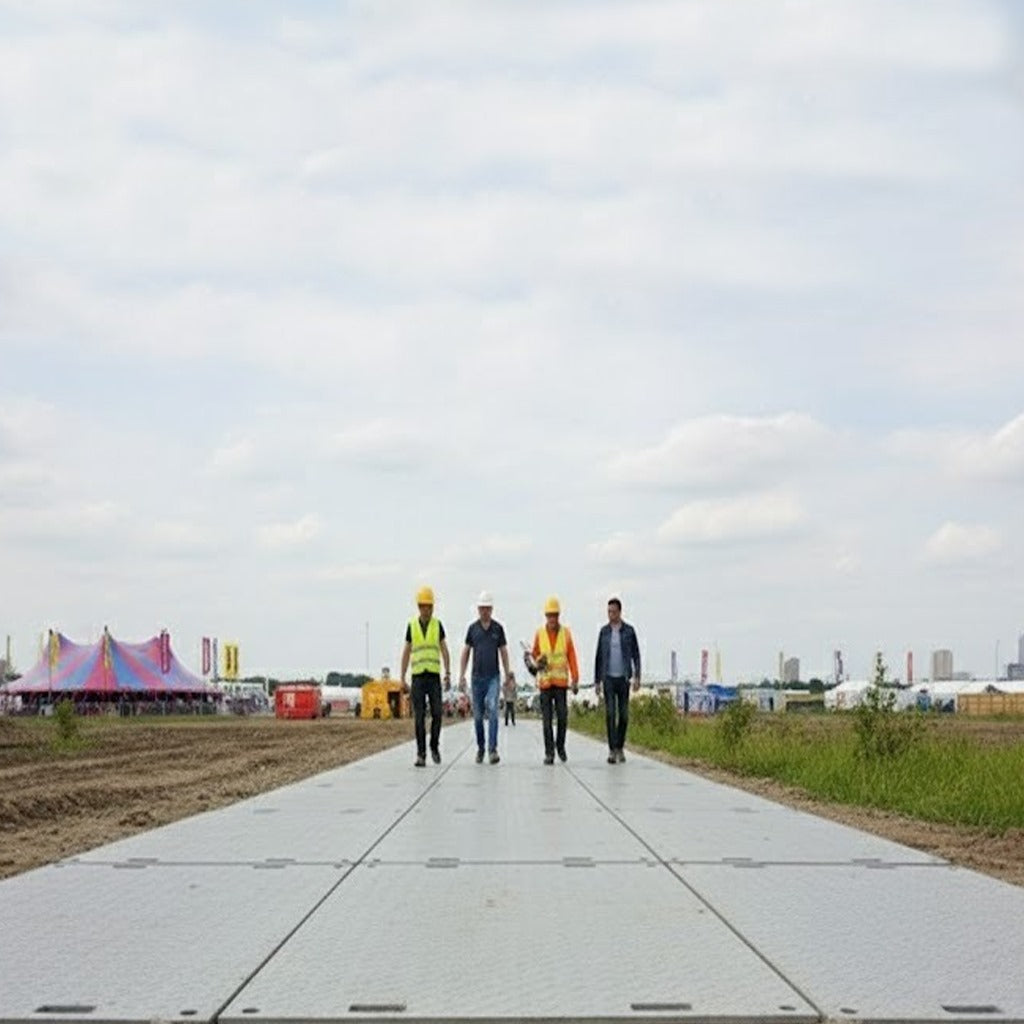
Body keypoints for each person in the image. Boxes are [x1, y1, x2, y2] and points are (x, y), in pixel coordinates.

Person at [400, 586, 451, 767]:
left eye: (429, 606)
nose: (426, 610)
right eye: (423, 606)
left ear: (433, 607)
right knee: (419, 717)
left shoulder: (438, 625)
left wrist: (447, 673)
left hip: (434, 677)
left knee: (437, 713)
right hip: (418, 678)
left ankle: (434, 746)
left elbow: (444, 650)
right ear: (418, 607)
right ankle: (421, 754)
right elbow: (406, 651)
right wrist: (402, 676)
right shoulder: (411, 626)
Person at [459, 591, 513, 765]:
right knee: (478, 716)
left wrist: (507, 673)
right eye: (482, 608)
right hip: (476, 678)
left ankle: (492, 750)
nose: (485, 612)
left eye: (487, 609)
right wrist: (461, 675)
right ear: (478, 609)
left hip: (493, 678)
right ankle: (481, 748)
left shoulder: (498, 629)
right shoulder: (472, 629)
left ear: (491, 609)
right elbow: (466, 652)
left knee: (492, 708)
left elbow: (503, 651)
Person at [531, 596, 580, 764]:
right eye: (549, 615)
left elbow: (571, 656)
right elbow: (534, 654)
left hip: (560, 684)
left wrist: (575, 678)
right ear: (546, 616)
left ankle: (560, 746)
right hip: (545, 683)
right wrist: (538, 660)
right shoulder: (539, 633)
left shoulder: (566, 634)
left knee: (562, 717)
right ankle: (549, 753)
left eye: (555, 615)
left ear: (558, 616)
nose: (552, 619)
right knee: (546, 720)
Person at [594, 595, 642, 764]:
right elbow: (599, 656)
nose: (610, 614)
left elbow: (636, 654)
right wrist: (597, 681)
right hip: (608, 678)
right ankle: (612, 750)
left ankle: (620, 747)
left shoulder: (629, 631)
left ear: (620, 612)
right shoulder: (604, 632)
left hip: (623, 679)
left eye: (613, 611)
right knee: (610, 714)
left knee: (623, 716)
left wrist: (637, 676)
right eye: (608, 612)